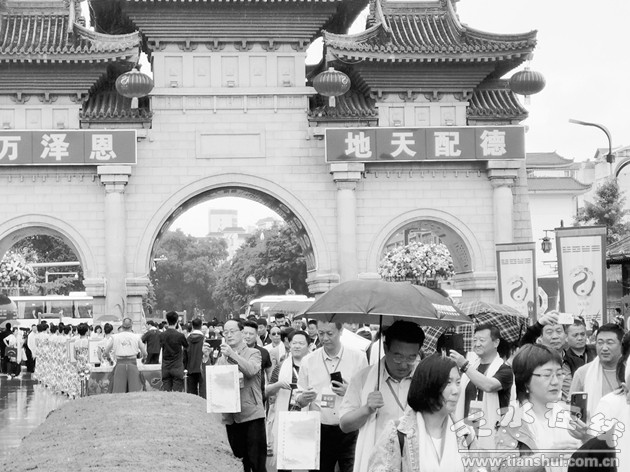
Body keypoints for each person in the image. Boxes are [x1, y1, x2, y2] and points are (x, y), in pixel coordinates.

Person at [340, 321, 425, 472]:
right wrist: (366, 409)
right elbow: (345, 425)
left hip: (416, 462)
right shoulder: (363, 378)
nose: (404, 365)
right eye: (398, 357)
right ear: (385, 348)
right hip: (377, 465)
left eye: (411, 358)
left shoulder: (425, 380)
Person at [367, 355, 477, 472]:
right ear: (429, 385)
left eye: (458, 382)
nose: (455, 391)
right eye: (448, 383)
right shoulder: (397, 433)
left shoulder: (466, 435)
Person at [494, 344, 588, 472]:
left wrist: (586, 438)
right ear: (526, 380)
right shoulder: (513, 420)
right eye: (547, 375)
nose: (555, 381)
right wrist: (546, 457)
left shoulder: (567, 414)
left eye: (559, 374)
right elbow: (503, 467)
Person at [296, 321, 368, 472]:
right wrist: (303, 399)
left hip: (350, 428)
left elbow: (367, 394)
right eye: (321, 333)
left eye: (329, 333)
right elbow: (298, 398)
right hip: (319, 428)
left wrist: (349, 391)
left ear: (341, 331)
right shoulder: (308, 360)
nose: (325, 338)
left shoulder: (358, 357)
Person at [450, 323, 514, 449]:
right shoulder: (472, 367)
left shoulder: (504, 370)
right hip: (467, 431)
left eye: (482, 340)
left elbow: (489, 386)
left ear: (496, 343)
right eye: (475, 340)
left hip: (493, 432)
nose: (477, 344)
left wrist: (464, 366)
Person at [216, 319, 266, 472]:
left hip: (251, 414)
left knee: (256, 462)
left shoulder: (254, 353)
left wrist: (232, 355)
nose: (229, 335)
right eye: (226, 332)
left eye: (232, 331)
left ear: (242, 333)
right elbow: (216, 382)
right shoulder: (221, 359)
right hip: (231, 416)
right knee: (239, 459)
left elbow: (251, 370)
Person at [265, 330, 311, 466]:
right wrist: (279, 385)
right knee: (285, 459)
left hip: (308, 417)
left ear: (308, 346)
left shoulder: (314, 365)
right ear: (289, 344)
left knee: (308, 459)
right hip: (286, 417)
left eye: (301, 343)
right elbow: (267, 391)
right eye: (294, 343)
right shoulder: (281, 366)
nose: (297, 346)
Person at [569, 323, 624, 421]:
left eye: (610, 343)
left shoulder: (627, 371)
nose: (604, 348)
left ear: (621, 345)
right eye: (600, 342)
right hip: (593, 428)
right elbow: (573, 411)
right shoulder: (583, 373)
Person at [520, 311, 573, 401]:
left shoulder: (574, 360)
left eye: (559, 331)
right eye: (549, 332)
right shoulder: (534, 359)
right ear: (540, 338)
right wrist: (539, 324)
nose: (555, 336)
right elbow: (524, 345)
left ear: (565, 336)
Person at [103, 317, 147, 393]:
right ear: (131, 326)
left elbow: (106, 352)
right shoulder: (136, 337)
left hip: (120, 365)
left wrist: (110, 360)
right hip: (132, 364)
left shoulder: (115, 337)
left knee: (118, 392)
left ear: (122, 326)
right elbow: (144, 353)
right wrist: (144, 359)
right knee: (134, 392)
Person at [159, 311, 188, 392]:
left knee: (166, 393)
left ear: (167, 321)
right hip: (177, 367)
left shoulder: (162, 335)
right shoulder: (180, 335)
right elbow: (186, 346)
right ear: (177, 321)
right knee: (177, 394)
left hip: (165, 367)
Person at [184, 318, 206, 397]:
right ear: (201, 326)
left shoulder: (187, 339)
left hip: (190, 369)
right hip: (202, 369)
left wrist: (185, 368)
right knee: (203, 393)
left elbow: (184, 356)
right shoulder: (204, 339)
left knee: (192, 394)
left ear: (192, 326)